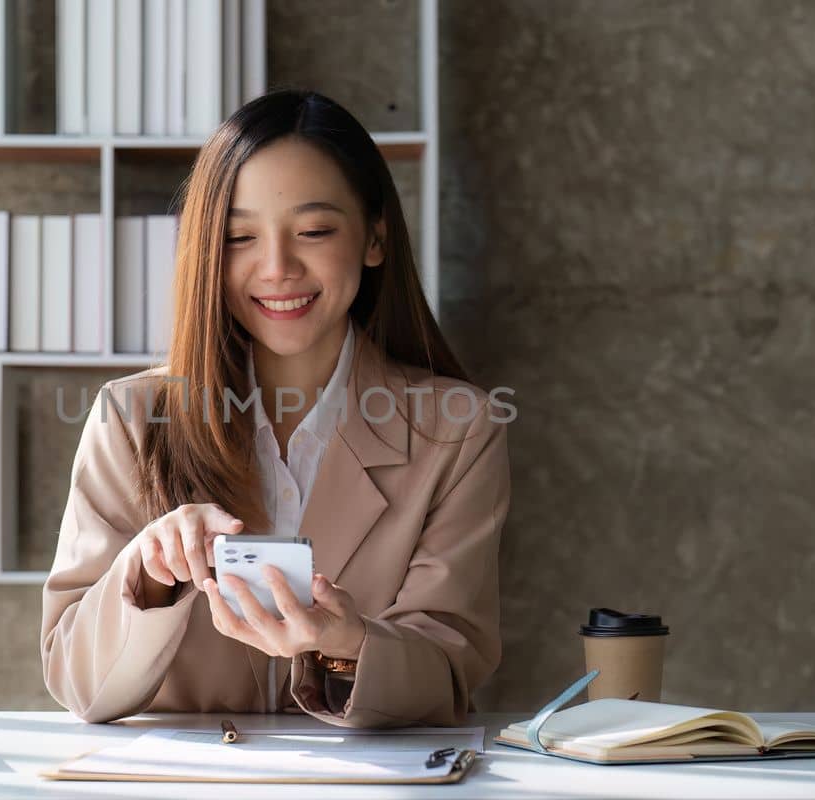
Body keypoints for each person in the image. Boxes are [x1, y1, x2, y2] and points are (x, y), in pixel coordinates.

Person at [40, 89, 511, 728]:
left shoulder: (457, 428)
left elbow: (451, 668)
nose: (277, 267)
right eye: (239, 237)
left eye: (314, 231)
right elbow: (74, 681)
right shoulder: (130, 418)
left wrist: (349, 645)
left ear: (375, 239)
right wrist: (147, 576)